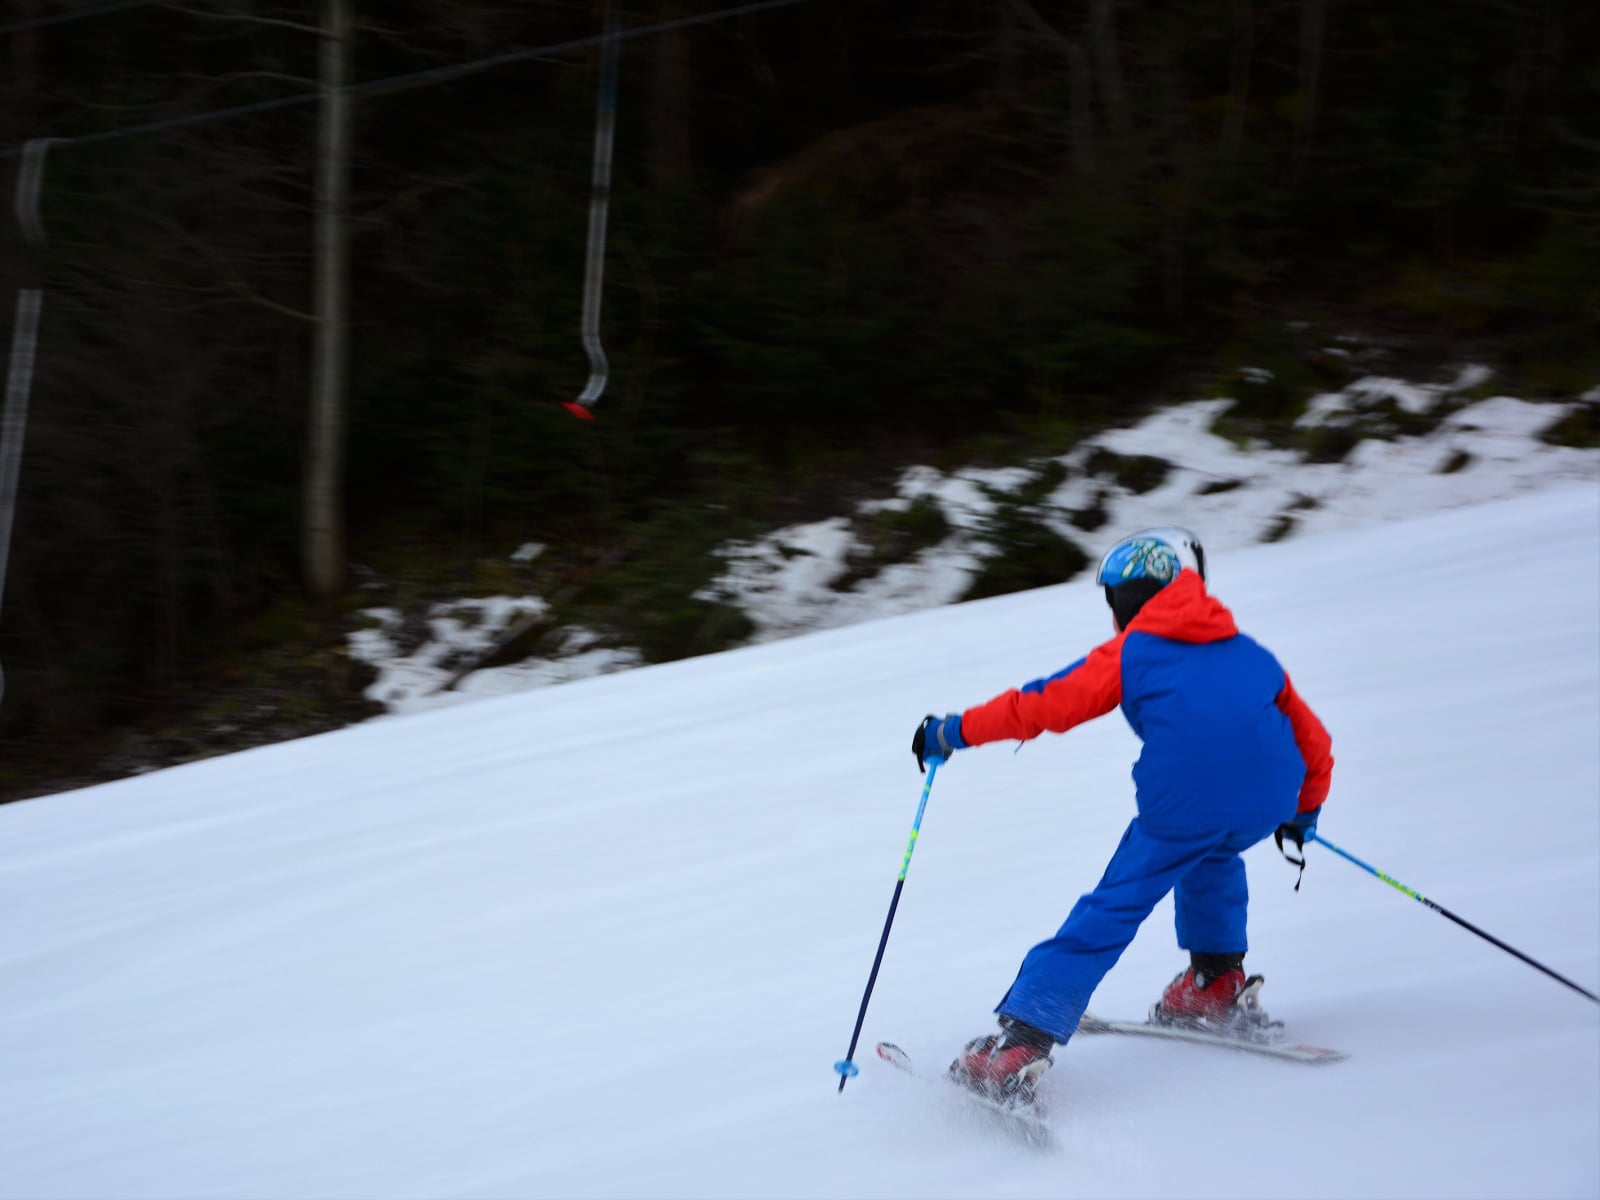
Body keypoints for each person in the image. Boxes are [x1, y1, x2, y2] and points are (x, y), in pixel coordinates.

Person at [911, 526, 1333, 1106]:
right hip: (1268, 801)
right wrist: (1303, 814)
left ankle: (1020, 1042)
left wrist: (949, 730)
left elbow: (1039, 707)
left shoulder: (1133, 650)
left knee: (1116, 904)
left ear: (1122, 604)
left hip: (1184, 804)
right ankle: (1213, 984)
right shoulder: (1249, 651)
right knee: (1212, 855)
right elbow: (1314, 739)